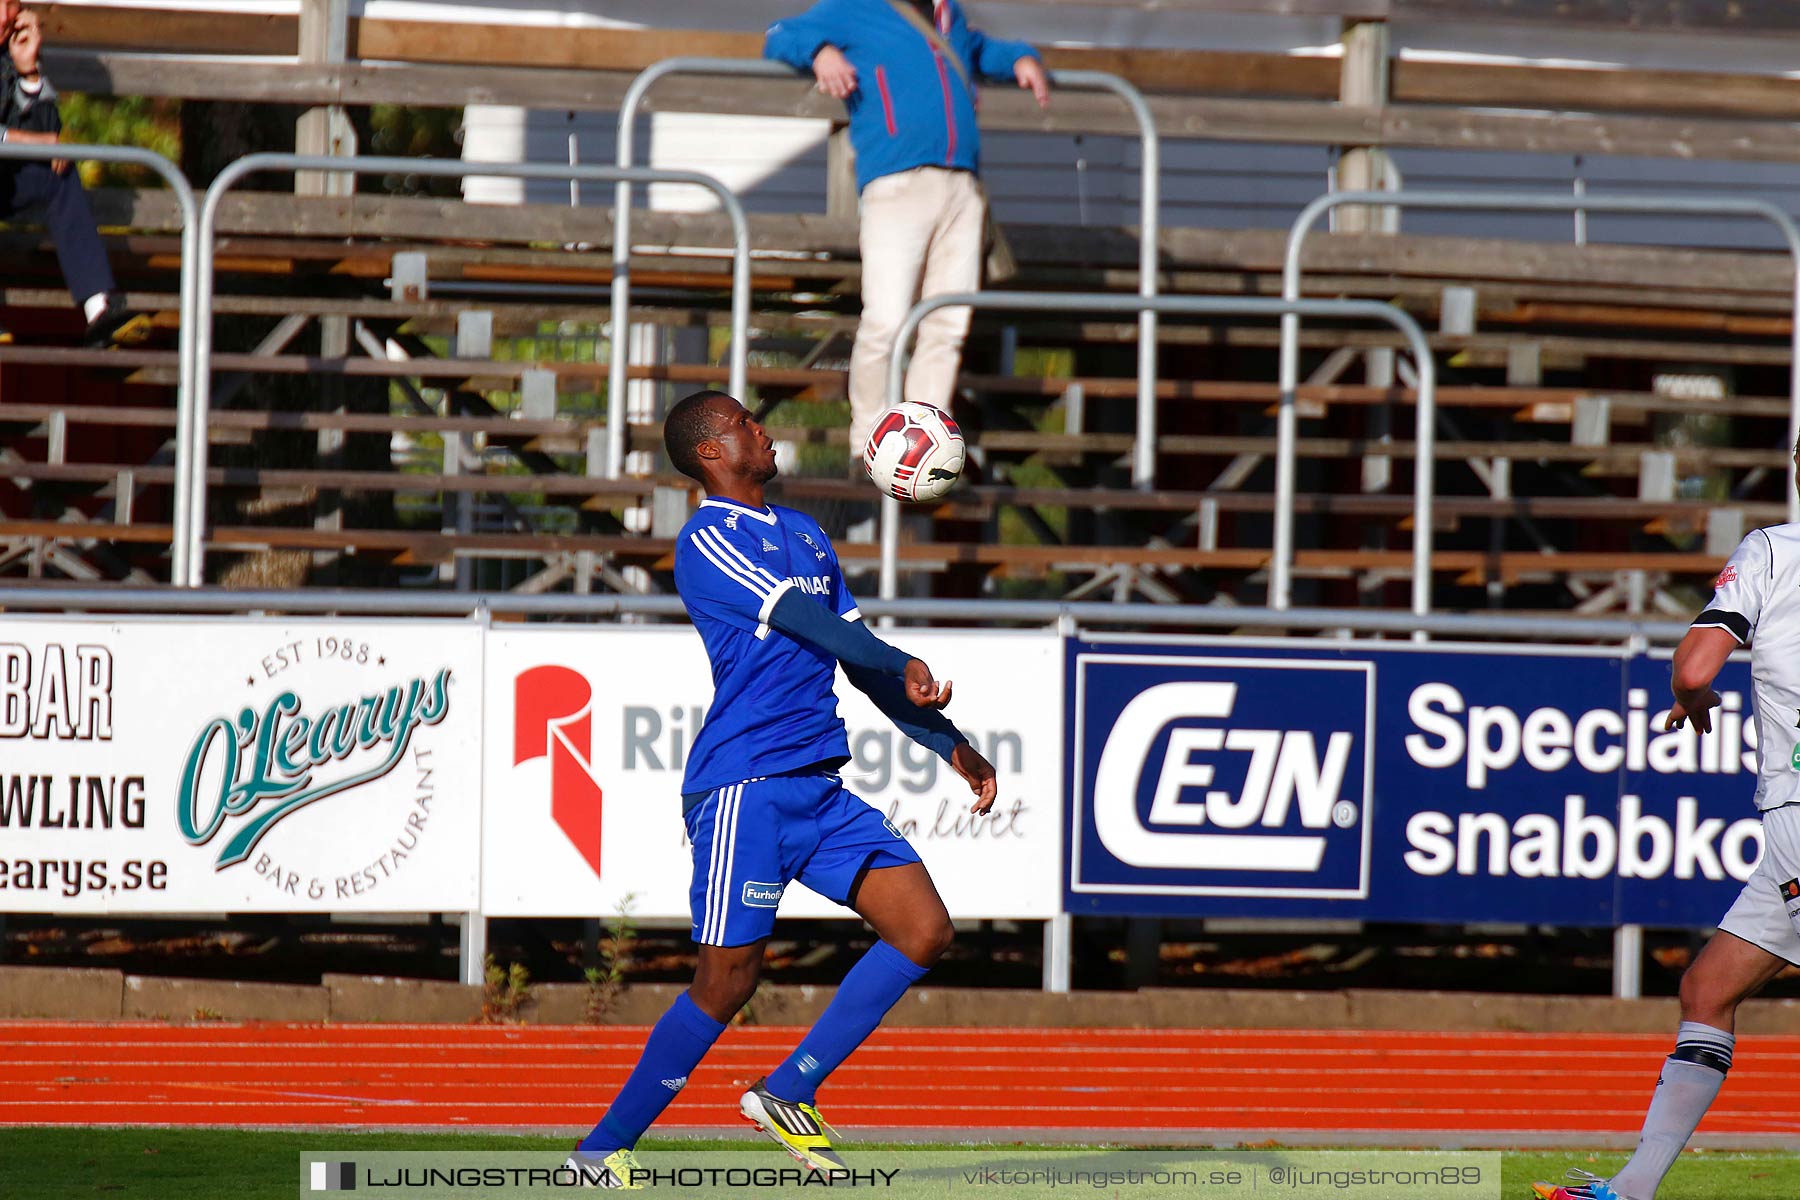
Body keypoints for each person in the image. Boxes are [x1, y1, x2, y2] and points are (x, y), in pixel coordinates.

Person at [565, 389, 998, 1189]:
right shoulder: (707, 539)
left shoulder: (806, 534)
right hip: (745, 789)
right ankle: (600, 1152)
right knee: (727, 982)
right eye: (744, 424)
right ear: (709, 453)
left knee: (925, 930)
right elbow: (804, 619)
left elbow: (860, 655)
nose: (762, 432)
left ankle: (789, 1089)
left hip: (817, 787)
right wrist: (893, 656)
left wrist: (949, 743)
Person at [1534, 481, 1800, 1200]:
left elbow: (1693, 667)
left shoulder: (1775, 551)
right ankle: (1634, 1187)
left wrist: (1691, 699)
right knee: (1708, 988)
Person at [764, 0, 1050, 458]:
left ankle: (922, 446)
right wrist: (819, 51)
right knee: (887, 320)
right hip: (897, 183)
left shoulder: (949, 16)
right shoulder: (858, 8)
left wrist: (1020, 57)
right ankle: (869, 442)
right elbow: (779, 33)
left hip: (961, 185)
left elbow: (978, 49)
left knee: (947, 325)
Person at [0, 0, 137, 347]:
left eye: (11, 5)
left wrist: (29, 70)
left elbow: (50, 138)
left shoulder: (7, 56)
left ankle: (100, 310)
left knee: (58, 176)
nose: (5, 16)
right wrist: (37, 141)